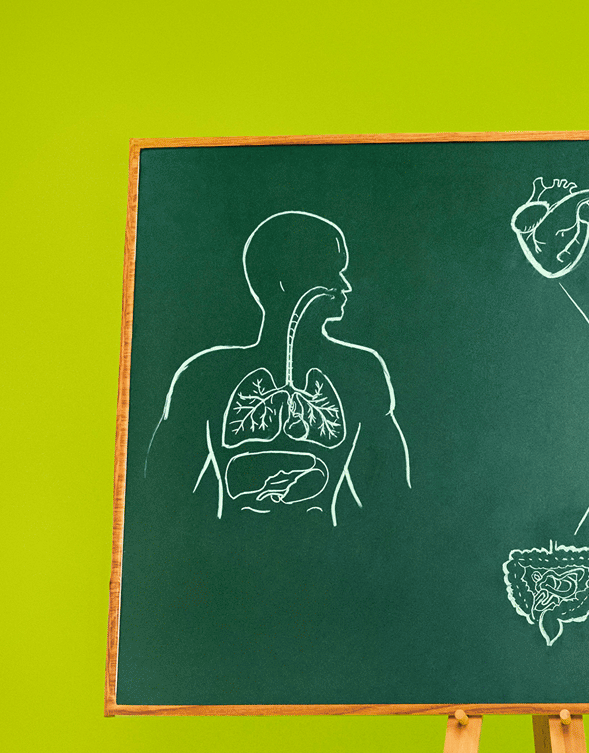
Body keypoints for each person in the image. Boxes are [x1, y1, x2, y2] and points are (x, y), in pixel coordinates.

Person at [146, 211, 410, 524]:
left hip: (330, 560)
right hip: (226, 562)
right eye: (332, 271)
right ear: (287, 281)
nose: (345, 285)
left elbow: (390, 500)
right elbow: (160, 499)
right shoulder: (205, 373)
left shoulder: (361, 369)